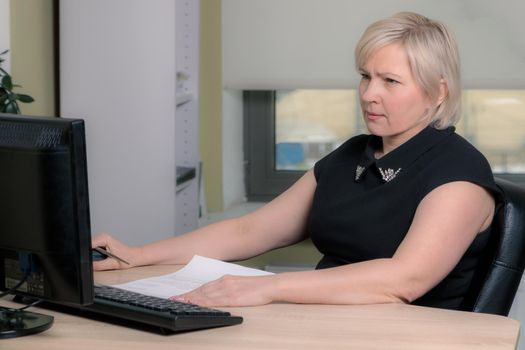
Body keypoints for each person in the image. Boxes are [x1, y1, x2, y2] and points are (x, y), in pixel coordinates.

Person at [93, 12, 501, 310]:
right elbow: (250, 230)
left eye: (390, 81)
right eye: (365, 76)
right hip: (329, 322)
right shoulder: (354, 152)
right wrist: (139, 254)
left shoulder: (458, 175)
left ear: (439, 92)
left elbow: (403, 280)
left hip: (406, 335)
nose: (368, 93)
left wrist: (269, 287)